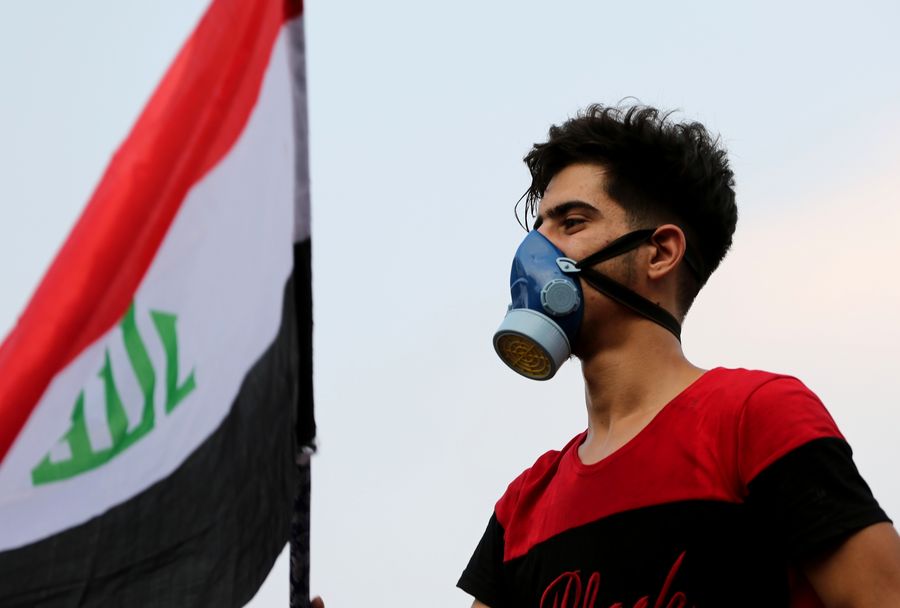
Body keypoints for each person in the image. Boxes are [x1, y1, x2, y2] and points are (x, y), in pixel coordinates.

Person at [457, 105, 900, 607]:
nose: (534, 251)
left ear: (661, 253)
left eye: (571, 223)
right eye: (538, 228)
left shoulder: (756, 418)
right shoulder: (521, 509)